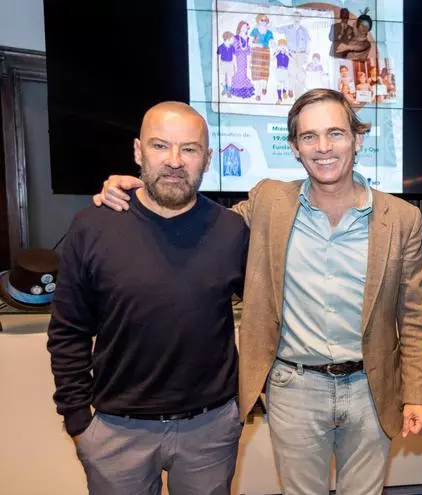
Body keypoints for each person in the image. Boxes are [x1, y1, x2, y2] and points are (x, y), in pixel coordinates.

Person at [92, 88, 422, 495]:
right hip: (295, 388)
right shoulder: (269, 201)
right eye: (309, 137)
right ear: (294, 148)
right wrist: (139, 191)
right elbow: (196, 221)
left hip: (371, 388)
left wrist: (417, 393)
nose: (323, 147)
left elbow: (414, 315)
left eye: (335, 134)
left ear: (357, 139)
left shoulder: (402, 218)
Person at [47, 102, 249, 494]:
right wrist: (78, 421)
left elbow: (266, 314)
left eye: (189, 149)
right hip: (116, 432)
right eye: (160, 146)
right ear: (138, 151)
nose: (174, 161)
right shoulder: (93, 226)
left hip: (210, 430)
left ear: (208, 159)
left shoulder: (231, 230)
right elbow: (68, 331)